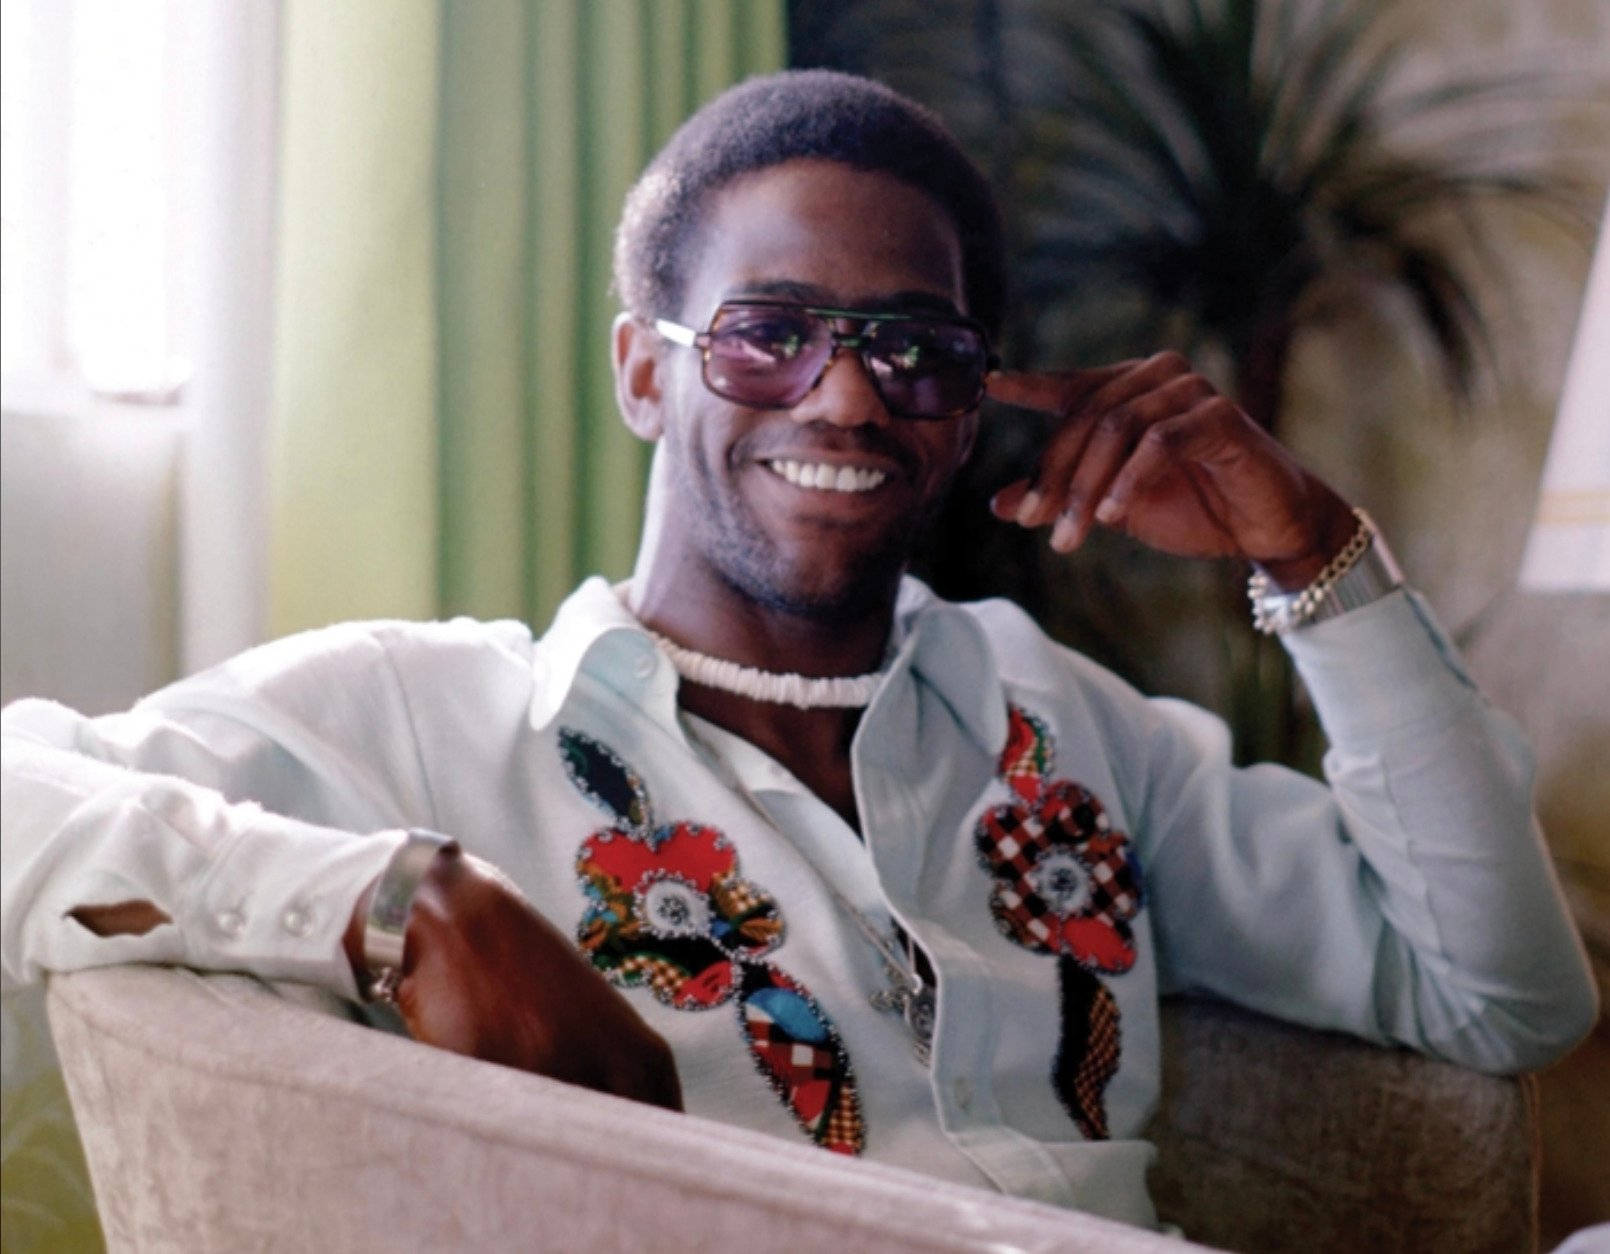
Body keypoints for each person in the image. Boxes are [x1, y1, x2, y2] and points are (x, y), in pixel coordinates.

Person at [1, 70, 1596, 1229]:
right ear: (643, 372)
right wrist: (390, 901)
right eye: (767, 333)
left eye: (913, 349)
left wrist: (1310, 555)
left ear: (970, 402)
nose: (843, 397)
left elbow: (1502, 995)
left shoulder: (1065, 727)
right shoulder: (421, 715)